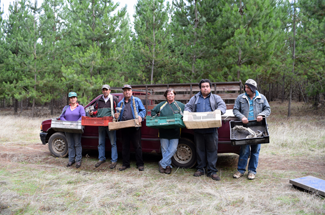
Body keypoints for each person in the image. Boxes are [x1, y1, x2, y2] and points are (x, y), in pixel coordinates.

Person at [184, 79, 226, 181]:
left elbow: (222, 106)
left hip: (211, 129)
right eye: (203, 86)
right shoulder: (195, 98)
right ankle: (200, 169)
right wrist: (188, 112)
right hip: (198, 129)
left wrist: (218, 111)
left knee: (212, 150)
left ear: (210, 87)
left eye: (207, 86)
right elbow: (187, 107)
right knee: (200, 150)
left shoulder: (215, 98)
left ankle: (212, 171)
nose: (205, 88)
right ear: (200, 88)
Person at [232, 79, 271, 180]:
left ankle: (252, 171)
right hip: (245, 128)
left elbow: (268, 109)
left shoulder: (261, 98)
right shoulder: (241, 98)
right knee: (244, 150)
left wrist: (262, 115)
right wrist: (242, 117)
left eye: (248, 88)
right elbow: (235, 109)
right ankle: (240, 170)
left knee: (255, 150)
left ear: (253, 88)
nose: (245, 89)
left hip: (258, 127)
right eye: (245, 87)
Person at [151, 88, 185, 174]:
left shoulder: (179, 105)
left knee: (173, 149)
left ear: (174, 95)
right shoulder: (161, 105)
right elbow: (153, 112)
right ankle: (167, 166)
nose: (170, 95)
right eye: (168, 94)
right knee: (165, 149)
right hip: (163, 131)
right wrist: (157, 119)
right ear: (166, 96)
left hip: (175, 131)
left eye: (172, 94)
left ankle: (162, 163)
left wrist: (182, 119)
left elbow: (186, 114)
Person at [114, 84, 146, 171]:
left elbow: (143, 110)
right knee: (125, 146)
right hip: (124, 127)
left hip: (135, 127)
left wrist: (140, 116)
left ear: (131, 91)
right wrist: (116, 116)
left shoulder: (137, 100)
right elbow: (117, 115)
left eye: (128, 90)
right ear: (123, 92)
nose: (127, 92)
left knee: (138, 146)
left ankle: (140, 164)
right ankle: (125, 164)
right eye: (125, 90)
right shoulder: (120, 103)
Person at [89, 84, 119, 169]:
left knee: (113, 143)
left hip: (111, 124)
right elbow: (95, 110)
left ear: (110, 90)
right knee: (101, 143)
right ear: (102, 91)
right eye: (104, 90)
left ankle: (114, 161)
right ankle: (101, 159)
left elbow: (118, 111)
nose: (105, 91)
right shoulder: (99, 100)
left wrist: (117, 116)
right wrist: (92, 113)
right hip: (101, 124)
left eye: (107, 89)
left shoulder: (114, 99)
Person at [60, 92, 86, 168]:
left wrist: (76, 123)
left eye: (74, 97)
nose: (73, 99)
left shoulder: (80, 107)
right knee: (70, 145)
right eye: (71, 98)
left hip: (76, 129)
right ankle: (71, 160)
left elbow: (83, 116)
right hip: (68, 129)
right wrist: (66, 123)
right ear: (69, 99)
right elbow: (61, 116)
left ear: (76, 98)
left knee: (77, 144)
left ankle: (78, 160)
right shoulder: (66, 108)